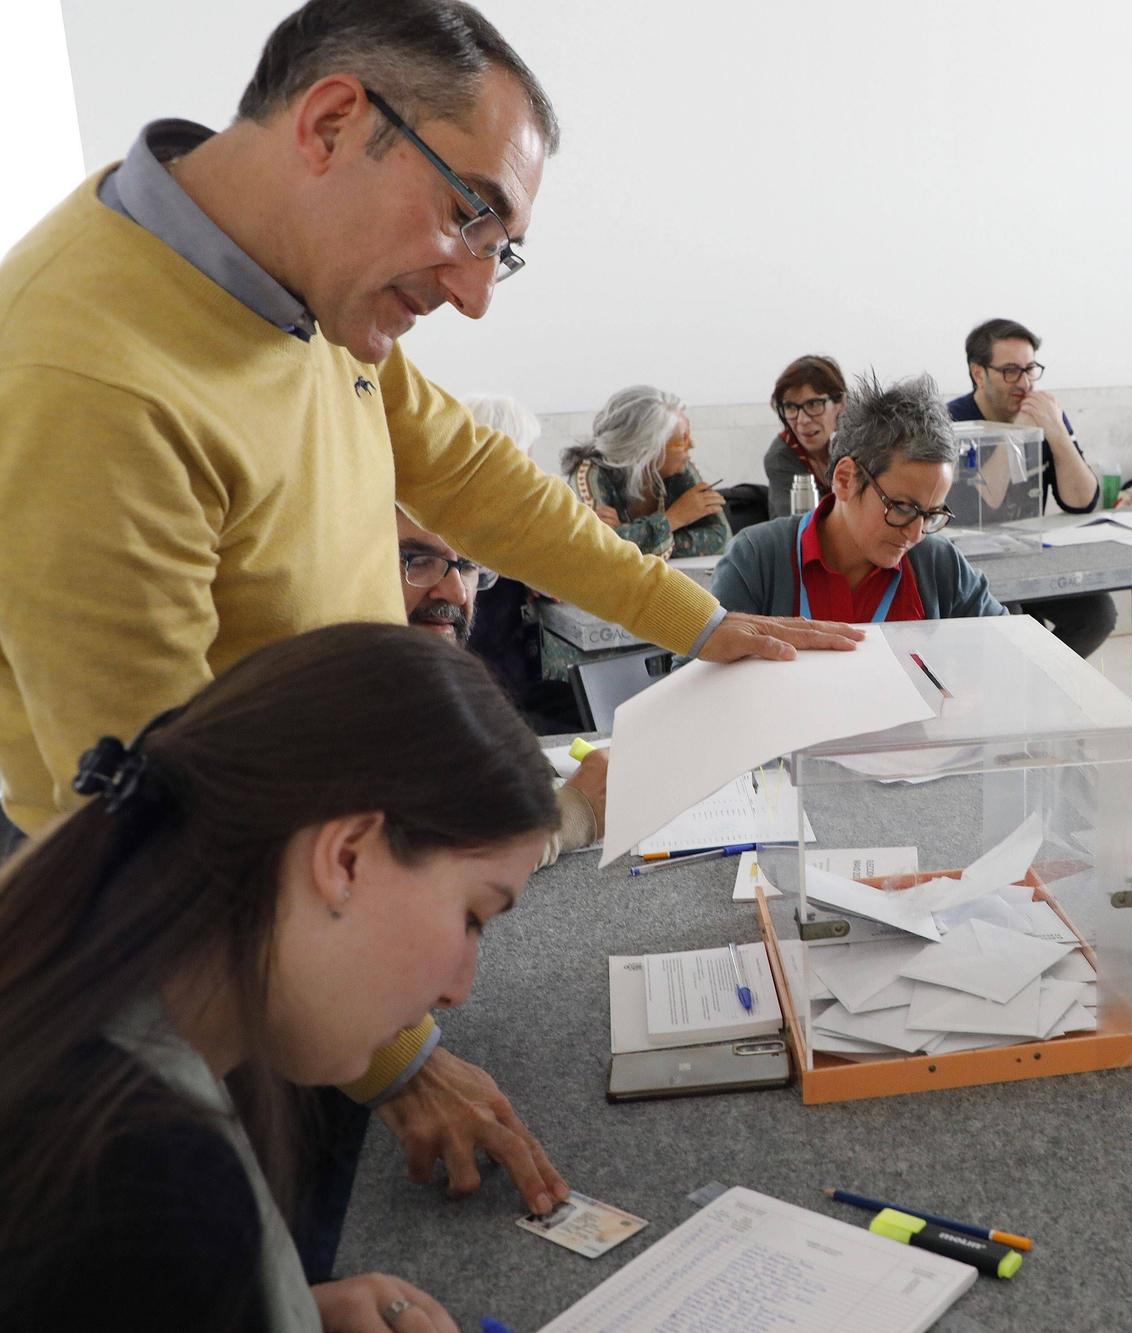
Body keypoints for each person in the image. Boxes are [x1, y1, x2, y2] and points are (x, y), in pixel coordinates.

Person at [0, 0, 858, 1231]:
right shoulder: (88, 378)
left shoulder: (286, 280)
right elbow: (166, 817)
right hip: (188, 977)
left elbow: (473, 478)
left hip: (329, 918)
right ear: (335, 121)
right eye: (470, 215)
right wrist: (395, 1056)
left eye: (501, 247)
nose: (473, 294)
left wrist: (701, 621)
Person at [0, 623, 554, 1330]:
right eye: (474, 916)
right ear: (347, 856)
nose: (458, 987)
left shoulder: (81, 1015)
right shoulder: (147, 1185)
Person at [396, 508, 604, 865]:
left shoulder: (436, 689)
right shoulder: (337, 696)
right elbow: (421, 864)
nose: (456, 591)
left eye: (468, 565)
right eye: (419, 561)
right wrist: (576, 811)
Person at [712, 373, 1006, 623]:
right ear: (845, 480)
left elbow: (1011, 651)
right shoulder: (756, 560)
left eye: (930, 514)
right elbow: (698, 678)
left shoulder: (938, 564)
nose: (916, 534)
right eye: (902, 508)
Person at [946, 317, 1115, 658]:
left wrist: (1056, 432)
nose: (1023, 383)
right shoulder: (953, 422)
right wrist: (1016, 436)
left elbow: (1083, 501)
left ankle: (1045, 678)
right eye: (1010, 371)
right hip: (975, 562)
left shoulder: (1044, 412)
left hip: (1030, 552)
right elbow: (982, 504)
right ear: (979, 373)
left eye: (1030, 369)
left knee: (1098, 615)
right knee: (1014, 623)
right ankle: (1025, 686)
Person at [458, 394, 586, 734]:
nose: (533, 467)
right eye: (527, 455)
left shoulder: (479, 511)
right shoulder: (483, 519)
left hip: (503, 683)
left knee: (588, 704)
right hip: (487, 696)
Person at [561, 384, 730, 560]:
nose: (692, 446)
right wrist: (673, 519)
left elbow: (722, 539)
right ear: (647, 449)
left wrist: (629, 534)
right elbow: (601, 551)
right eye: (682, 440)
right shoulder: (590, 474)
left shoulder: (680, 467)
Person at [764, 354, 846, 510]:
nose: (802, 420)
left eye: (813, 404)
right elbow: (799, 525)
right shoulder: (781, 457)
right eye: (790, 407)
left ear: (840, 403)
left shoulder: (863, 444)